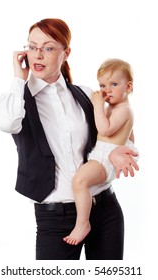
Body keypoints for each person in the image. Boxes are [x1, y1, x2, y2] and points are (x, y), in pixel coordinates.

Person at [0, 18, 139, 260]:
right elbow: (6, 123)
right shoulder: (16, 100)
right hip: (55, 218)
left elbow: (117, 130)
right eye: (32, 47)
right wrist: (19, 78)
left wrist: (116, 151)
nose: (37, 54)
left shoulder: (84, 94)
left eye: (48, 48)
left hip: (105, 209)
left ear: (66, 53)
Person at [63, 58, 137, 246]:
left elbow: (104, 130)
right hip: (102, 156)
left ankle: (83, 223)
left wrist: (97, 105)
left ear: (128, 87)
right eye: (102, 85)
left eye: (114, 84)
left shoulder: (124, 110)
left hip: (104, 160)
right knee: (81, 181)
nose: (106, 90)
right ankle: (83, 221)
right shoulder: (115, 108)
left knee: (79, 181)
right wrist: (124, 147)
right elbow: (131, 138)